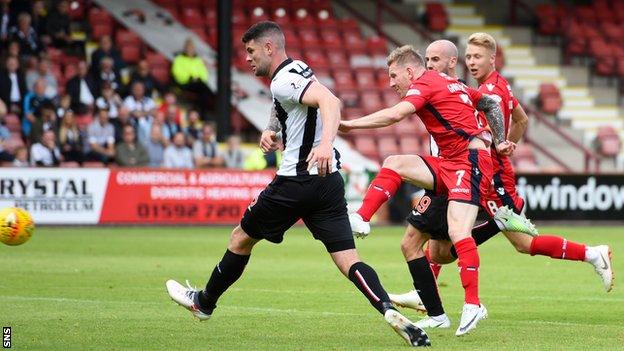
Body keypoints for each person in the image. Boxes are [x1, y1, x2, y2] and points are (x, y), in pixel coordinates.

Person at [164, 21, 430, 347]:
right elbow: (291, 105)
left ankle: (203, 303)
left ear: (269, 48)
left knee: (240, 239)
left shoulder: (283, 81)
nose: (247, 59)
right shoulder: (297, 70)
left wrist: (323, 144)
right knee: (349, 259)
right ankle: (387, 309)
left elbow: (330, 102)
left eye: (250, 51)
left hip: (294, 182)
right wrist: (272, 129)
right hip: (327, 183)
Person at [389, 35, 614, 326]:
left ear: (489, 59)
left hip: (481, 175)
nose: (472, 62)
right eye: (469, 57)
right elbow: (520, 119)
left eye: (476, 57)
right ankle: (427, 293)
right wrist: (506, 143)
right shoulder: (493, 86)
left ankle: (588, 253)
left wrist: (497, 148)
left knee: (484, 241)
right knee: (440, 243)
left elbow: (477, 135)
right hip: (471, 170)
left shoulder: (482, 93)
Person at [339, 44, 514, 336]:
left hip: (469, 163)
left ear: (410, 71)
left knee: (458, 234)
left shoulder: (427, 83)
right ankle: (362, 218)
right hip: (449, 162)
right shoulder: (451, 83)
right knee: (396, 169)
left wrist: (349, 126)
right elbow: (490, 104)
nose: (392, 82)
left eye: (394, 75)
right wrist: (499, 140)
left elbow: (396, 116)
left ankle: (473, 305)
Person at [171, 38, 213, 118]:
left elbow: (203, 72)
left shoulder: (198, 60)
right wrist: (190, 77)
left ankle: (199, 112)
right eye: (188, 47)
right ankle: (199, 113)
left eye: (192, 48)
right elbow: (177, 72)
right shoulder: (179, 59)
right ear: (185, 48)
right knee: (203, 90)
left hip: (197, 83)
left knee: (205, 90)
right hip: (184, 83)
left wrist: (199, 78)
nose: (190, 49)